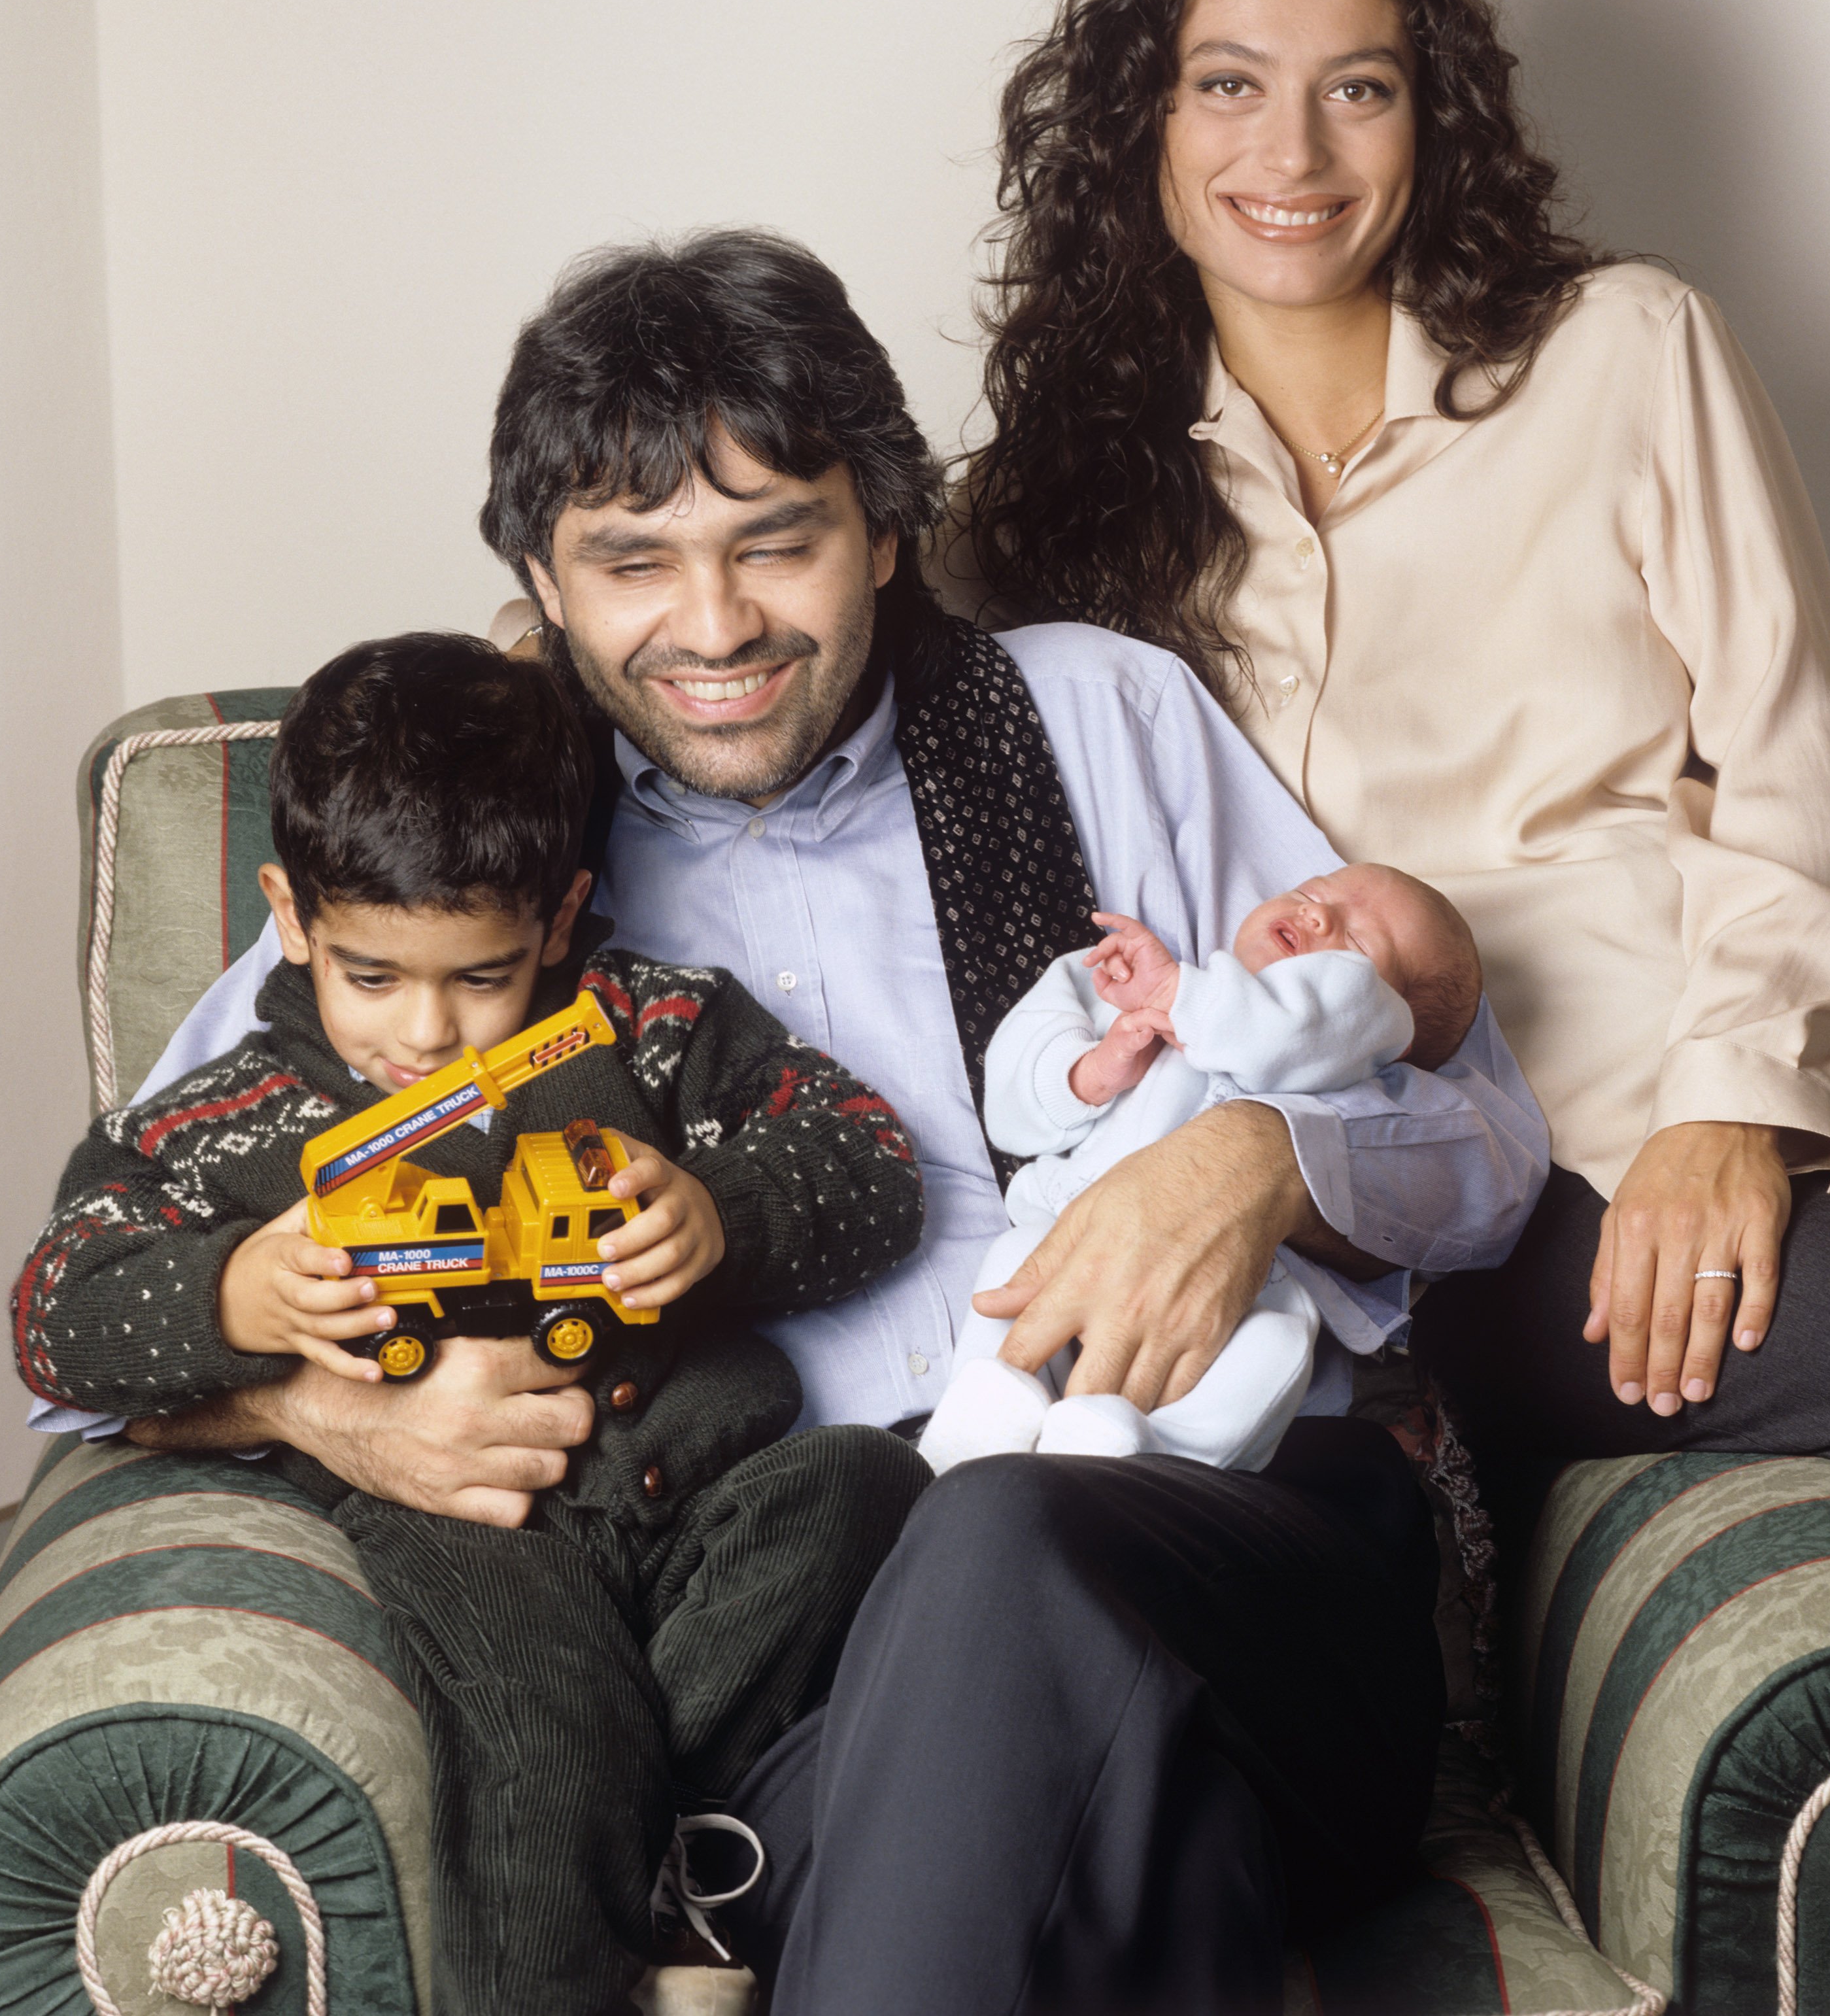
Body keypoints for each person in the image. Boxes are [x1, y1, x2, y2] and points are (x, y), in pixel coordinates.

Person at [102, 230, 1547, 2014]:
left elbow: (1489, 1154)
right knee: (1086, 1814)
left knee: (1000, 1538)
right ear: (543, 586)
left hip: (1222, 1551)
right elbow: (88, 1303)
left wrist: (1257, 1164)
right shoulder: (466, 862)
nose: (711, 630)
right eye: (631, 562)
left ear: (880, 522)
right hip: (795, 1667)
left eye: (772, 540)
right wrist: (325, 1406)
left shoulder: (1103, 718)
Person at [955, 0, 1830, 1506]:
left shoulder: (1625, 349)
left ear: (1432, 121)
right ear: (1142, 117)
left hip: (1828, 1022)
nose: (1289, 149)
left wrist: (1727, 1111)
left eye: (1356, 88)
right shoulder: (1056, 504)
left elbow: (1793, 774)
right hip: (1511, 1161)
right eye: (1225, 83)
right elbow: (804, 613)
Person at [14, 630, 930, 2016]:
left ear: (560, 919)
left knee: (870, 1486)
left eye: (483, 976)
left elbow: (872, 1163)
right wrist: (233, 1293)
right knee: (540, 1730)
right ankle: (591, 1946)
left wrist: (719, 1210)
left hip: (712, 1499)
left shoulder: (654, 1030)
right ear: (292, 912)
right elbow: (53, 1313)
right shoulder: (234, 1115)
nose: (426, 1033)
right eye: (373, 977)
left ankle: (671, 1849)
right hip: (481, 1531)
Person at [921, 864, 1480, 1473]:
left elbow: (1305, 1026)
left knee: (1277, 1348)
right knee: (1011, 1265)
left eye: (1358, 944)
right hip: (1069, 1234)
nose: (1318, 914)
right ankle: (986, 1411)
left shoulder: (1348, 1051)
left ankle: (1154, 1451)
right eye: (1310, 891)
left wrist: (1182, 997)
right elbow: (1010, 1103)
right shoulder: (1131, 987)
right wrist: (1090, 1072)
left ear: (1388, 1039)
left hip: (1242, 1296)